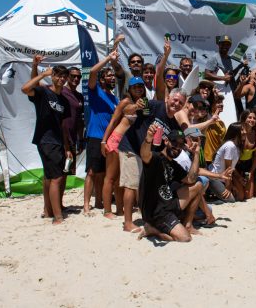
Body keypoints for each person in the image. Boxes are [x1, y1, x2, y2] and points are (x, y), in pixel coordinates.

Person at [21, 65, 72, 225]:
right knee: (56, 178)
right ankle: (57, 217)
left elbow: (63, 126)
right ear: (52, 76)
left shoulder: (63, 100)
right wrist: (41, 72)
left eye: (64, 76)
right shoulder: (43, 93)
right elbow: (25, 88)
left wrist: (67, 147)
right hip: (45, 140)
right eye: (58, 75)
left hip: (57, 141)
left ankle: (49, 211)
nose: (61, 79)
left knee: (50, 177)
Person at [139, 128, 203, 242]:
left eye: (180, 145)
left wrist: (196, 154)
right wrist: (148, 139)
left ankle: (188, 224)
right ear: (166, 141)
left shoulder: (174, 164)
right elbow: (144, 155)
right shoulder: (156, 158)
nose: (177, 147)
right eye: (174, 143)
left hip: (168, 202)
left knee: (198, 185)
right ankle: (152, 229)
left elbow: (191, 179)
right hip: (156, 211)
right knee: (185, 238)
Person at [100, 77, 146, 224]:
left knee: (122, 179)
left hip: (129, 144)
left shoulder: (144, 103)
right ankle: (107, 210)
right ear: (129, 89)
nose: (138, 88)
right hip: (116, 140)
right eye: (135, 87)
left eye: (141, 86)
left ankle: (120, 209)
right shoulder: (126, 102)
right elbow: (113, 121)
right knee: (111, 177)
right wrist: (103, 141)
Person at [84, 51, 119, 216]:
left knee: (103, 173)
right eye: (109, 75)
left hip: (109, 140)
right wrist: (108, 59)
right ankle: (86, 205)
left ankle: (98, 201)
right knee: (91, 172)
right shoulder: (95, 91)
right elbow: (92, 72)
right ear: (102, 79)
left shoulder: (114, 98)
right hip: (95, 137)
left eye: (113, 76)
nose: (112, 78)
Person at [205, 122, 244, 203]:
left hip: (223, 178)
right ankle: (208, 199)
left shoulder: (236, 146)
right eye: (242, 130)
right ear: (236, 133)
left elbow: (232, 167)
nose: (245, 132)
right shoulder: (230, 145)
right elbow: (228, 168)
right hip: (214, 177)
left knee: (240, 196)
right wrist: (228, 187)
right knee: (231, 200)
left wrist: (239, 178)